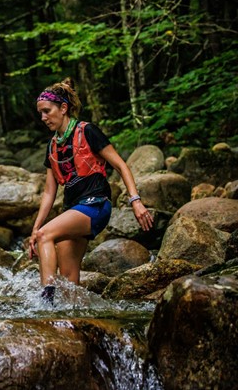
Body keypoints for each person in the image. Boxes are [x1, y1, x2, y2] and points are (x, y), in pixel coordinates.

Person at [27, 78, 153, 303]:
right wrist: (34, 229)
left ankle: (44, 301)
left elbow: (120, 165)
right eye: (41, 114)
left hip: (95, 205)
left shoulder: (88, 131)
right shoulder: (52, 146)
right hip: (73, 210)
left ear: (63, 108)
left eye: (47, 111)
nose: (43, 118)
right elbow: (49, 192)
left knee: (46, 235)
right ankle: (72, 321)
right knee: (68, 280)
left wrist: (135, 201)